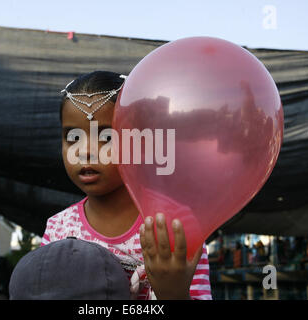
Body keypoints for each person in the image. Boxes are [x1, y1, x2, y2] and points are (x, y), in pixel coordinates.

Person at [40, 71, 211, 300]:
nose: (85, 152)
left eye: (107, 137)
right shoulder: (57, 229)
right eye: (73, 137)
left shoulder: (175, 224)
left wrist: (174, 294)